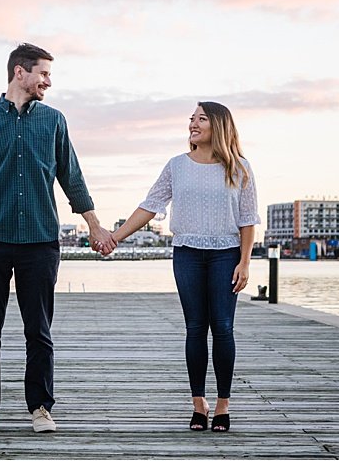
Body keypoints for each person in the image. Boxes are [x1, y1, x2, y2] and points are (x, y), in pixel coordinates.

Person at [0, 42, 113, 434]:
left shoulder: (54, 121)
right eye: (43, 73)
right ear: (19, 73)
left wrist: (95, 225)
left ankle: (40, 407)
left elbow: (72, 177)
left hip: (41, 240)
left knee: (39, 331)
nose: (49, 81)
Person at [106, 101, 260, 433]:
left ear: (218, 126)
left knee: (222, 328)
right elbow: (150, 206)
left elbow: (248, 221)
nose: (193, 124)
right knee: (194, 328)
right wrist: (115, 237)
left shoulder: (240, 168)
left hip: (226, 254)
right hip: (187, 253)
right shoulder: (177, 166)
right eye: (191, 119)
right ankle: (198, 404)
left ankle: (222, 404)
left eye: (201, 119)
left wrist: (245, 263)